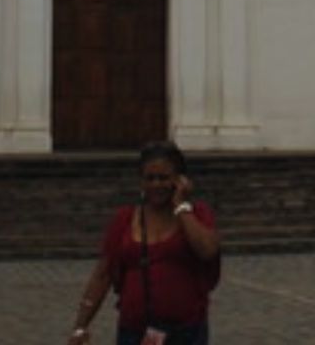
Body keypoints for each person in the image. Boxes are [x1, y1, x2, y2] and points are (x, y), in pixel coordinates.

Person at [70, 142, 222, 344]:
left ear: (180, 180)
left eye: (164, 178)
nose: (156, 185)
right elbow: (102, 275)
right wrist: (80, 326)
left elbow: (207, 250)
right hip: (135, 332)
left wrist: (181, 206)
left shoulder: (198, 214)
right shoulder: (124, 219)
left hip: (186, 332)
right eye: (149, 178)